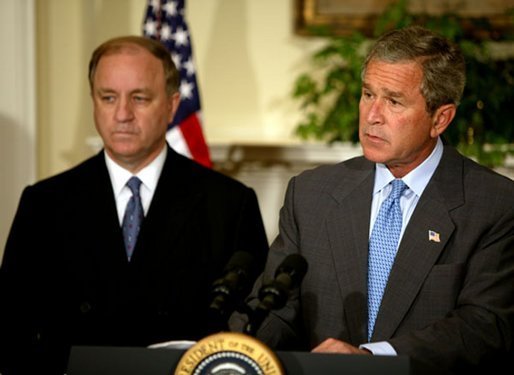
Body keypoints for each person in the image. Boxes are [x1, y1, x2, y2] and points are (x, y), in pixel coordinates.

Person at [230, 25, 514, 373]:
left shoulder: (495, 205)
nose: (372, 116)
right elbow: (276, 310)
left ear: (440, 118)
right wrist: (234, 351)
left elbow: (484, 326)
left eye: (393, 101)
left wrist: (373, 359)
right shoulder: (312, 194)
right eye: (368, 95)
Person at [0, 35, 269, 374]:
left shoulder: (229, 204)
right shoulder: (44, 203)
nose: (122, 114)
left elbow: (252, 332)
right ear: (93, 102)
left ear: (172, 105)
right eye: (108, 97)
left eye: (139, 98)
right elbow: (12, 329)